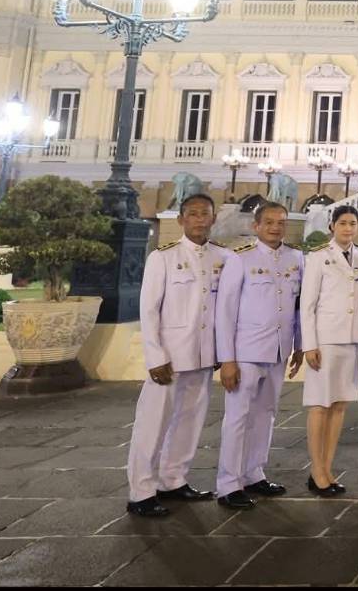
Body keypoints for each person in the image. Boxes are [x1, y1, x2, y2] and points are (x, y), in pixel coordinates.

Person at [124, 193, 225, 517]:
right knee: (152, 424)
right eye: (192, 214)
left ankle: (173, 479)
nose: (199, 219)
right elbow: (149, 310)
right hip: (170, 357)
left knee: (189, 422)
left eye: (204, 214)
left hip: (203, 355)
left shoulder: (221, 256)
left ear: (213, 219)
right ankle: (141, 492)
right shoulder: (163, 257)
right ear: (181, 220)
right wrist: (155, 356)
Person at [213, 200, 304, 509]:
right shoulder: (240, 258)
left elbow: (298, 307)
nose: (275, 227)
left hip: (278, 349)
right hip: (246, 351)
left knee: (266, 414)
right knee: (238, 417)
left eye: (281, 222)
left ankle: (254, 473)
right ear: (256, 226)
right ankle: (229, 484)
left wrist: (300, 344)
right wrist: (227, 359)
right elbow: (225, 311)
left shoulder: (295, 258)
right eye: (269, 222)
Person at [299, 204, 358, 495]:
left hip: (351, 340)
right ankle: (316, 470)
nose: (348, 228)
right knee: (319, 406)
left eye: (352, 223)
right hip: (325, 340)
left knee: (339, 405)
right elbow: (307, 304)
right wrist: (309, 345)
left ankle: (327, 468)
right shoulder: (318, 257)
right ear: (332, 226)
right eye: (343, 223)